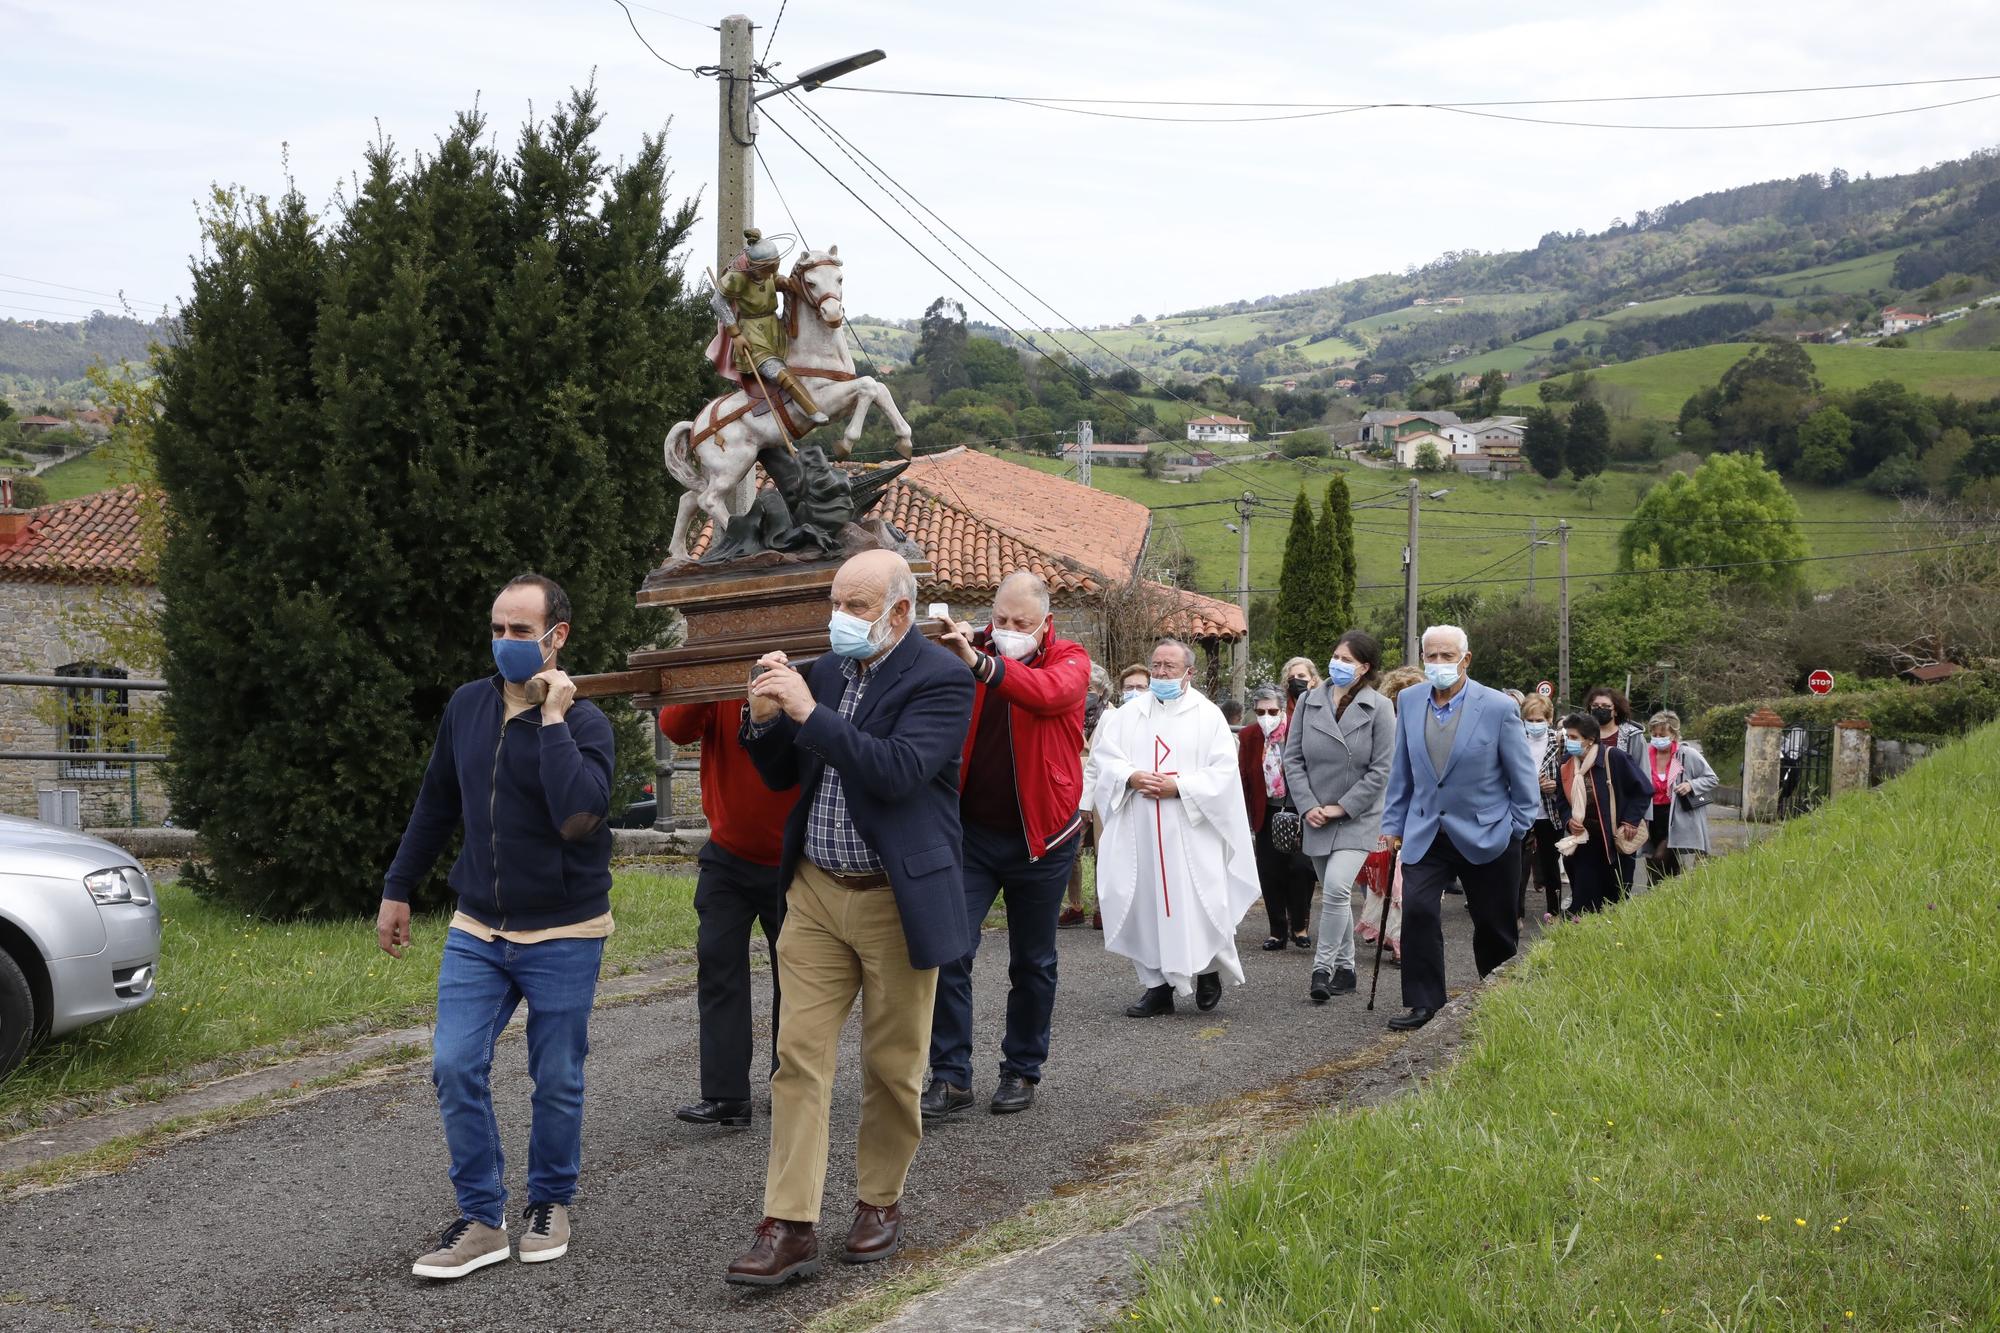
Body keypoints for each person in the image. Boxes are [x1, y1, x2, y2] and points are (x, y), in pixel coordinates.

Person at [724, 550, 975, 1287]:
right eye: (837, 600)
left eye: (858, 606)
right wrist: (765, 715)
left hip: (897, 899)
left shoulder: (943, 679)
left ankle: (878, 1200)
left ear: (900, 611)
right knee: (797, 1055)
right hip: (814, 891)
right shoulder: (824, 672)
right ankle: (789, 1222)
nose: (841, 617)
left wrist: (809, 712)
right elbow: (780, 773)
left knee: (893, 1065)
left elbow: (895, 769)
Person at [378, 574, 614, 1280]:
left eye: (520, 631)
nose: (505, 642)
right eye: (498, 628)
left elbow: (578, 816)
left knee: (557, 1075)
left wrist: (551, 720)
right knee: (454, 1063)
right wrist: (397, 889)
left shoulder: (588, 724)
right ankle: (482, 1219)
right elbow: (436, 802)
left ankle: (550, 1201)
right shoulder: (467, 707)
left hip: (566, 929)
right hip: (478, 925)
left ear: (556, 636)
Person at [922, 572, 1090, 1120]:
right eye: (1001, 620)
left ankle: (1021, 1069)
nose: (1010, 630)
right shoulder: (967, 652)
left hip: (1044, 839)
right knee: (950, 953)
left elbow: (1045, 694)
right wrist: (949, 649)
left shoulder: (1071, 659)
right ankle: (950, 1077)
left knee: (1033, 962)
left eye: (1022, 623)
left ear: (1045, 622)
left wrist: (979, 662)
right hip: (970, 834)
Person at [1378, 625, 1539, 1032]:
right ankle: (1424, 1003)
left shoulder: (1499, 707)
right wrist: (1393, 825)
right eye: (1430, 656)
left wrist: (1517, 828)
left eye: (1446, 657)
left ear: (1465, 660)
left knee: (1493, 923)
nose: (1437, 664)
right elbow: (1403, 771)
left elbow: (1521, 776)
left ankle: (1497, 997)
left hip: (1488, 831)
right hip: (1427, 829)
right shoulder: (1411, 701)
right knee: (1416, 911)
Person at [1090, 638, 1261, 1017]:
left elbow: (1223, 773)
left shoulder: (1208, 716)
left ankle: (1209, 972)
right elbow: (1106, 759)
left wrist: (1180, 786)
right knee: (1145, 903)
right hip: (1141, 831)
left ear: (1189, 672)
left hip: (1191, 828)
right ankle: (1158, 988)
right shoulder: (1128, 715)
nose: (1161, 673)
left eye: (1169, 666)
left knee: (1200, 902)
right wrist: (1131, 776)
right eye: (1156, 665)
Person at [659, 698, 800, 1129]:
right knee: (718, 964)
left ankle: (794, 1086)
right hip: (728, 854)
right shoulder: (718, 686)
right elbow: (675, 727)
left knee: (797, 977)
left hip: (796, 856)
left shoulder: (803, 673)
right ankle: (727, 1096)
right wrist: (702, 681)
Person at [1284, 630, 1396, 1004]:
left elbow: (1382, 770)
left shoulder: (1380, 707)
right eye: (1336, 656)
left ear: (1364, 668)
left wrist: (1343, 806)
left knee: (1334, 889)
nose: (1339, 664)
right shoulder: (1309, 702)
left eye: (1347, 660)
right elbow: (1293, 758)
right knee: (1335, 895)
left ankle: (1323, 967)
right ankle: (1347, 969)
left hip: (1357, 816)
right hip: (1315, 814)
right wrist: (1307, 804)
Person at [709, 227, 830, 424]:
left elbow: (773, 280)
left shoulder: (767, 271)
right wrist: (735, 333)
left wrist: (784, 282)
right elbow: (717, 301)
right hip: (752, 333)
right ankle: (811, 410)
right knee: (779, 372)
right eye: (768, 269)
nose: (771, 273)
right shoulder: (738, 275)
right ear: (755, 266)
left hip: (775, 326)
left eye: (775, 267)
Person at [1355, 665, 1423, 964]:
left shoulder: (1422, 725)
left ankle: (1399, 936)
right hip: (1389, 811)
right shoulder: (1386, 727)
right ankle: (1395, 936)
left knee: (1400, 880)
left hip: (1413, 813)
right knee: (1391, 879)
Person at [1241, 685, 1316, 952]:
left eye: (1272, 711)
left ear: (1283, 709)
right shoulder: (1250, 736)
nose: (1266, 716)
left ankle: (1300, 926)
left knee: (1300, 868)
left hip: (1298, 810)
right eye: (1260, 711)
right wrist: (1247, 816)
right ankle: (1277, 931)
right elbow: (1245, 777)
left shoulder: (1299, 731)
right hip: (1266, 811)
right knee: (1270, 872)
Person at [1553, 712, 1650, 915]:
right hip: (1584, 842)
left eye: (1574, 737)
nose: (1569, 742)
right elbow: (1561, 800)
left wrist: (1631, 820)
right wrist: (1569, 820)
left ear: (1589, 740)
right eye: (1567, 736)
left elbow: (1643, 789)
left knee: (1614, 898)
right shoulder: (1566, 764)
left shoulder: (1613, 757)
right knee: (1583, 899)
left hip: (1613, 842)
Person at [1060, 663, 1116, 928]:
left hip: (1102, 791)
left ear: (1103, 691)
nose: (1086, 693)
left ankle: (1102, 908)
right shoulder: (1070, 713)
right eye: (1082, 688)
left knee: (1104, 850)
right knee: (1071, 849)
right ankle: (1074, 905)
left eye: (1091, 689)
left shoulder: (1112, 717)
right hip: (1072, 790)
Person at [1642, 710, 1719, 878]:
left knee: (1659, 859)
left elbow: (1712, 778)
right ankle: (1666, 894)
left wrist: (1691, 784)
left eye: (1662, 734)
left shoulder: (1686, 755)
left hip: (1676, 817)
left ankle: (1660, 892)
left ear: (1674, 735)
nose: (1657, 738)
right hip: (1651, 816)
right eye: (1653, 734)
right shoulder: (1646, 754)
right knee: (1653, 862)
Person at [1519, 695, 1567, 925]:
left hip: (1550, 813)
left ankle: (1554, 912)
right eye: (1529, 719)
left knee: (1550, 865)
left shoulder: (1560, 742)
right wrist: (1531, 784)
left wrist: (1555, 785)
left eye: (1539, 719)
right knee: (1519, 866)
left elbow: (1571, 775)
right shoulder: (1516, 739)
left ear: (1549, 718)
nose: (1534, 723)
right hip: (1521, 812)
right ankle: (1516, 913)